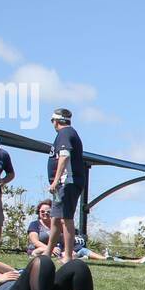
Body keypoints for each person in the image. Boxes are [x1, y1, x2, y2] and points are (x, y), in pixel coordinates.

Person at [26, 200, 145, 263]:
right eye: (42, 211)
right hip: (42, 250)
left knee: (85, 251)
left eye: (48, 211)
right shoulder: (35, 224)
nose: (45, 214)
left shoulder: (59, 224)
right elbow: (35, 241)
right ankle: (84, 257)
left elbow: (67, 238)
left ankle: (132, 260)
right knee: (40, 251)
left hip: (63, 250)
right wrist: (50, 248)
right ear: (39, 212)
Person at [44, 108, 85, 263]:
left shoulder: (65, 134)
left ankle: (68, 255)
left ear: (56, 121)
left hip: (67, 182)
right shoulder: (65, 134)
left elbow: (64, 156)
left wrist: (55, 180)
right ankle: (47, 253)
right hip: (62, 184)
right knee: (55, 218)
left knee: (65, 218)